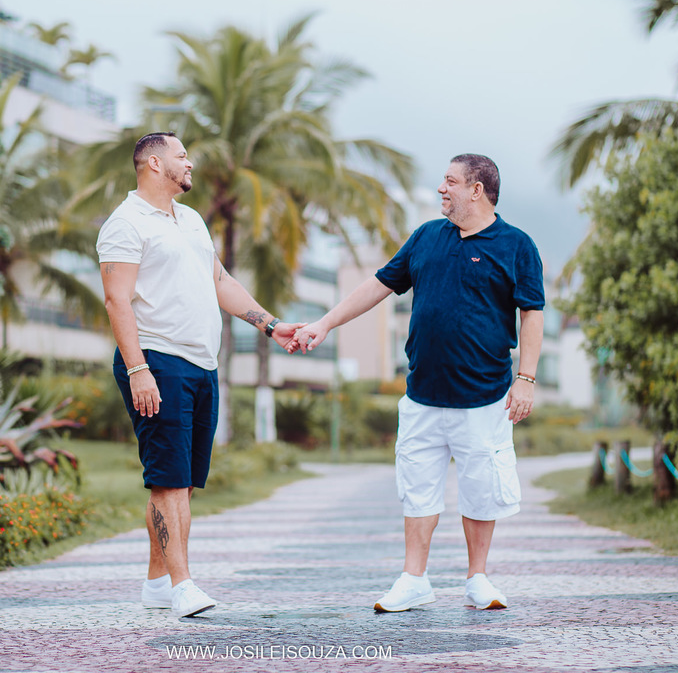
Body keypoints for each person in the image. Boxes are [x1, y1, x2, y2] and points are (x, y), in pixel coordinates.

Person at [295, 153, 544, 612]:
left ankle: (478, 579)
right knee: (417, 488)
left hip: (484, 397)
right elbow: (377, 286)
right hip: (422, 395)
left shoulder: (517, 245)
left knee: (482, 489)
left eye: (450, 181)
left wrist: (525, 379)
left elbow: (532, 314)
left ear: (477, 189)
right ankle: (414, 580)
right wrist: (325, 323)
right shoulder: (427, 236)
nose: (441, 189)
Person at [97, 132, 302, 618]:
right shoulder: (125, 223)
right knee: (168, 481)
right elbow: (116, 300)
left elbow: (220, 281)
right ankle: (182, 585)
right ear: (153, 163)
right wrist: (138, 369)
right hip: (157, 361)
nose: (190, 163)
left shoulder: (189, 219)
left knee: (182, 481)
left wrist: (270, 325)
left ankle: (156, 582)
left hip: (201, 363)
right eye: (182, 155)